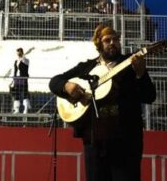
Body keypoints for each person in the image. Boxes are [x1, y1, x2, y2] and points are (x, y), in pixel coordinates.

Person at [50, 24, 155, 181]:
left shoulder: (131, 63)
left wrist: (140, 74)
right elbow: (54, 81)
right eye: (107, 40)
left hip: (126, 141)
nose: (113, 43)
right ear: (99, 44)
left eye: (116, 39)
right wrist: (66, 86)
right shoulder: (86, 68)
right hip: (94, 140)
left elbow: (149, 96)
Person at [12, 48, 31, 114]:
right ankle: (16, 109)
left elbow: (25, 62)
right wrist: (13, 79)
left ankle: (26, 108)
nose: (18, 54)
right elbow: (15, 70)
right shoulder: (16, 61)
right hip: (17, 78)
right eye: (17, 52)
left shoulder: (25, 60)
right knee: (16, 93)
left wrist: (22, 57)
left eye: (19, 52)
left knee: (24, 93)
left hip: (23, 78)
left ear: (22, 52)